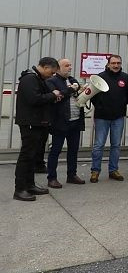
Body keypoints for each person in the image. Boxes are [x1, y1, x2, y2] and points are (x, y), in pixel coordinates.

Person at [13, 57, 63, 201]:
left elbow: (41, 97)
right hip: (30, 122)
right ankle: (20, 189)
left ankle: (30, 185)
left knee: (32, 156)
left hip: (38, 122)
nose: (52, 75)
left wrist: (53, 97)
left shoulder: (37, 78)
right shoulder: (29, 79)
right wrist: (52, 95)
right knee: (26, 156)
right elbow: (34, 99)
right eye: (52, 72)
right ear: (46, 67)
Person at [90, 54, 128, 182]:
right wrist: (101, 106)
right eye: (113, 63)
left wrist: (119, 106)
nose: (116, 65)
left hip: (118, 117)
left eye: (118, 63)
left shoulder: (125, 78)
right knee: (98, 145)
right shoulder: (100, 77)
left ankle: (113, 170)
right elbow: (92, 96)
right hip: (102, 117)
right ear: (108, 64)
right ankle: (95, 171)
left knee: (116, 145)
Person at [46, 59, 86, 188]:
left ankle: (72, 175)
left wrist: (81, 90)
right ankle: (52, 177)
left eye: (70, 65)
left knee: (73, 150)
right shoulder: (52, 81)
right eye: (66, 66)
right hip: (60, 122)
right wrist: (69, 90)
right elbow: (55, 98)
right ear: (58, 68)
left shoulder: (73, 80)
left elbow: (77, 94)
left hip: (75, 120)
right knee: (56, 150)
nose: (70, 68)